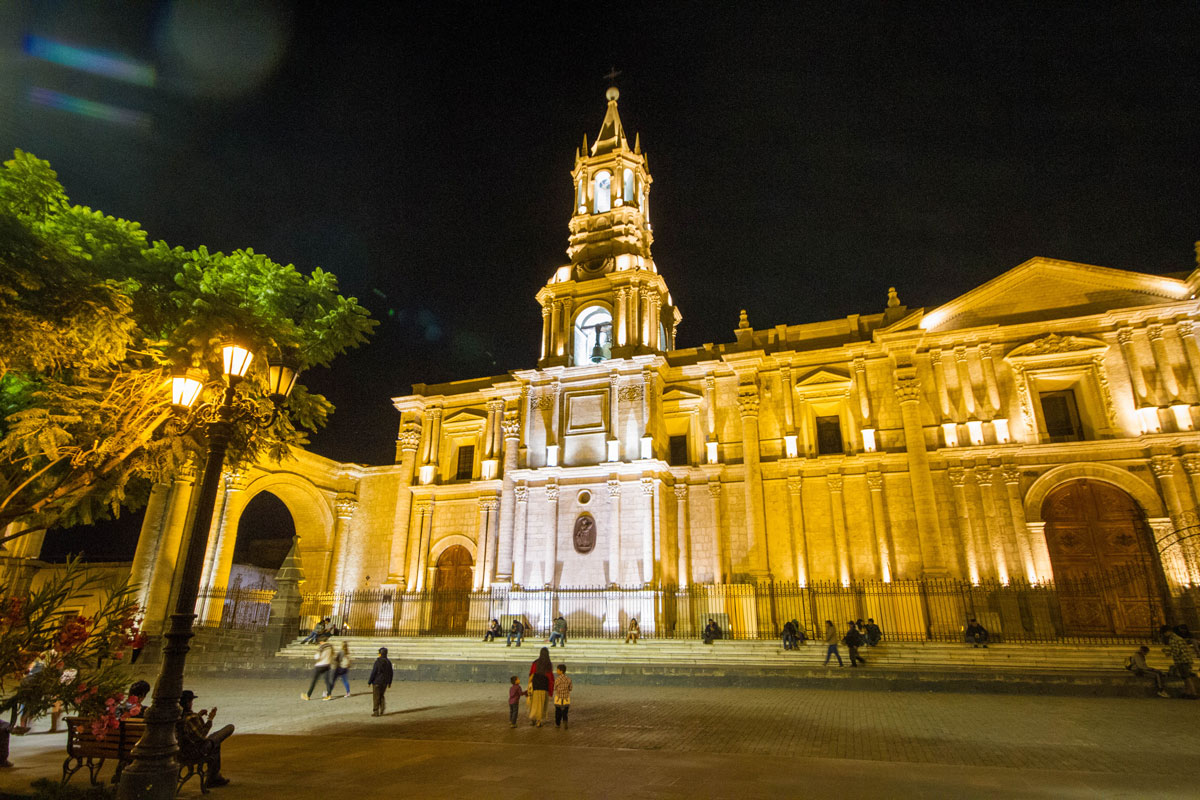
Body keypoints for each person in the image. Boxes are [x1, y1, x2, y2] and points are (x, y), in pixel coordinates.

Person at [177, 689, 233, 789]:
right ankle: (213, 778)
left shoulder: (176, 717)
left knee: (215, 743)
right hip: (195, 751)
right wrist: (210, 719)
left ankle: (214, 777)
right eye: (191, 701)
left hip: (180, 752)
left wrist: (198, 716)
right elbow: (202, 735)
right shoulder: (191, 717)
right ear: (188, 703)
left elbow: (189, 728)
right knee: (227, 729)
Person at [1161, 625, 1199, 699]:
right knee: (1185, 677)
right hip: (1185, 659)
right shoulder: (1178, 638)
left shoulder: (1173, 639)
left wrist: (1168, 653)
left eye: (1164, 633)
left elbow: (1176, 651)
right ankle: (1187, 692)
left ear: (1168, 632)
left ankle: (1193, 693)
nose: (1164, 635)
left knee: (1187, 677)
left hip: (1182, 660)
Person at [528, 648, 555, 727]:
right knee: (542, 704)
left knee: (534, 703)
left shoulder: (535, 663)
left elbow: (531, 674)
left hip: (535, 684)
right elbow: (550, 678)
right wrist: (551, 691)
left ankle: (533, 718)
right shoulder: (548, 664)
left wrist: (529, 685)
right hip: (544, 685)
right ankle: (539, 721)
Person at [368, 647, 393, 717]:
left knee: (376, 697)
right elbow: (391, 673)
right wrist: (389, 682)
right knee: (381, 695)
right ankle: (382, 708)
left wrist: (370, 681)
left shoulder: (377, 662)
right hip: (384, 682)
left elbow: (374, 672)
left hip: (377, 681)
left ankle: (376, 711)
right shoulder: (388, 662)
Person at [553, 663, 572, 729]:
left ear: (561, 671)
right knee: (565, 712)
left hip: (558, 698)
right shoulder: (569, 679)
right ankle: (565, 721)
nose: (556, 671)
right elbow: (570, 688)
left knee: (557, 712)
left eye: (557, 670)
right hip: (566, 699)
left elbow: (554, 688)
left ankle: (558, 723)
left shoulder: (557, 679)